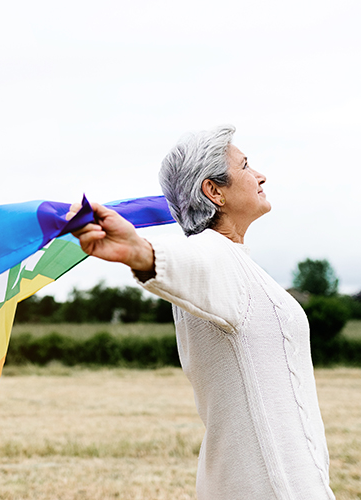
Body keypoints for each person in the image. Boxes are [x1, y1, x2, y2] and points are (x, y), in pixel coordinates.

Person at [66, 125, 335, 499]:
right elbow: (189, 261)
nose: (260, 175)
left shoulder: (239, 263)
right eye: (245, 166)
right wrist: (139, 252)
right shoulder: (213, 254)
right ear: (214, 191)